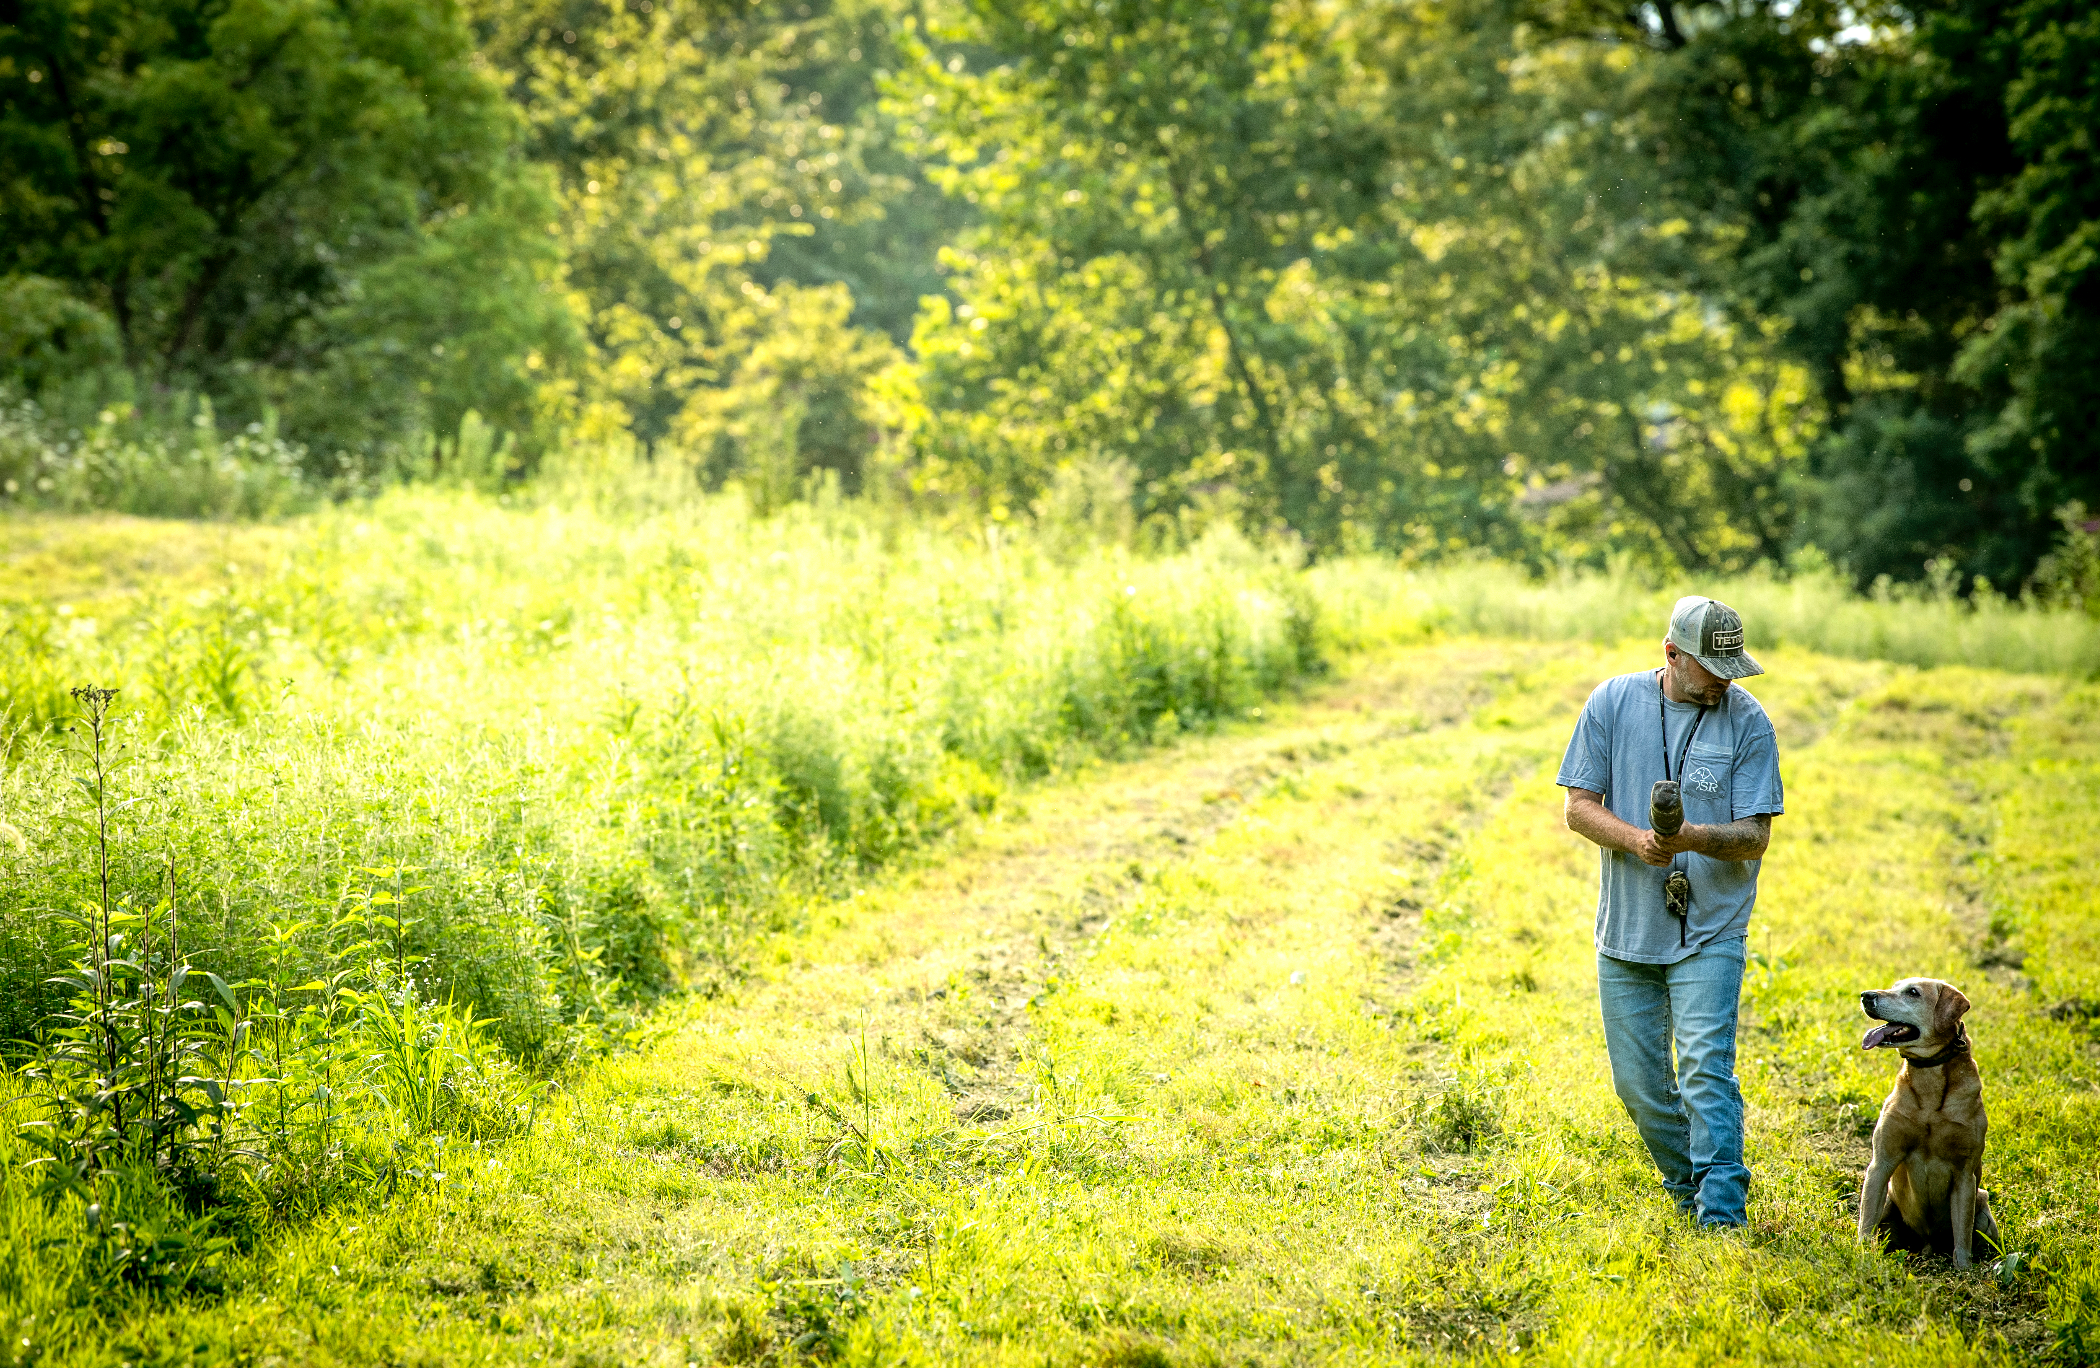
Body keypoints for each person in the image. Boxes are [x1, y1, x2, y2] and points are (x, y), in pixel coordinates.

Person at [1556, 596, 1785, 1228]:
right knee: (1638, 1084)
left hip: (1712, 926)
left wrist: (1690, 838)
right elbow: (1578, 806)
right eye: (1712, 667)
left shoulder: (1748, 722)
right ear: (1671, 655)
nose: (1724, 681)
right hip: (1627, 925)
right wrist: (1638, 841)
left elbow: (1755, 836)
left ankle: (1721, 1214)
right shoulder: (1611, 702)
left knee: (1706, 1071)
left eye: (1732, 667)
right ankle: (1686, 1187)